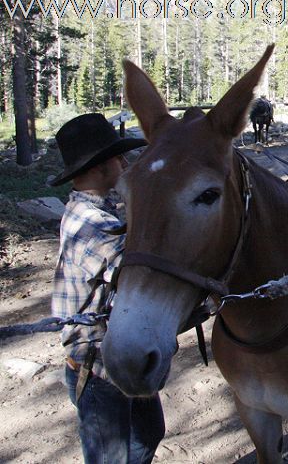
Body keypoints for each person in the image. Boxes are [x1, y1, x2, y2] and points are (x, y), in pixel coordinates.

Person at [50, 113, 164, 464]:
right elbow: (139, 273)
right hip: (98, 366)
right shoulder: (90, 225)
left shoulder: (98, 210)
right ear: (101, 168)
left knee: (147, 434)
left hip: (120, 354)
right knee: (109, 458)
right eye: (119, 157)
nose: (125, 162)